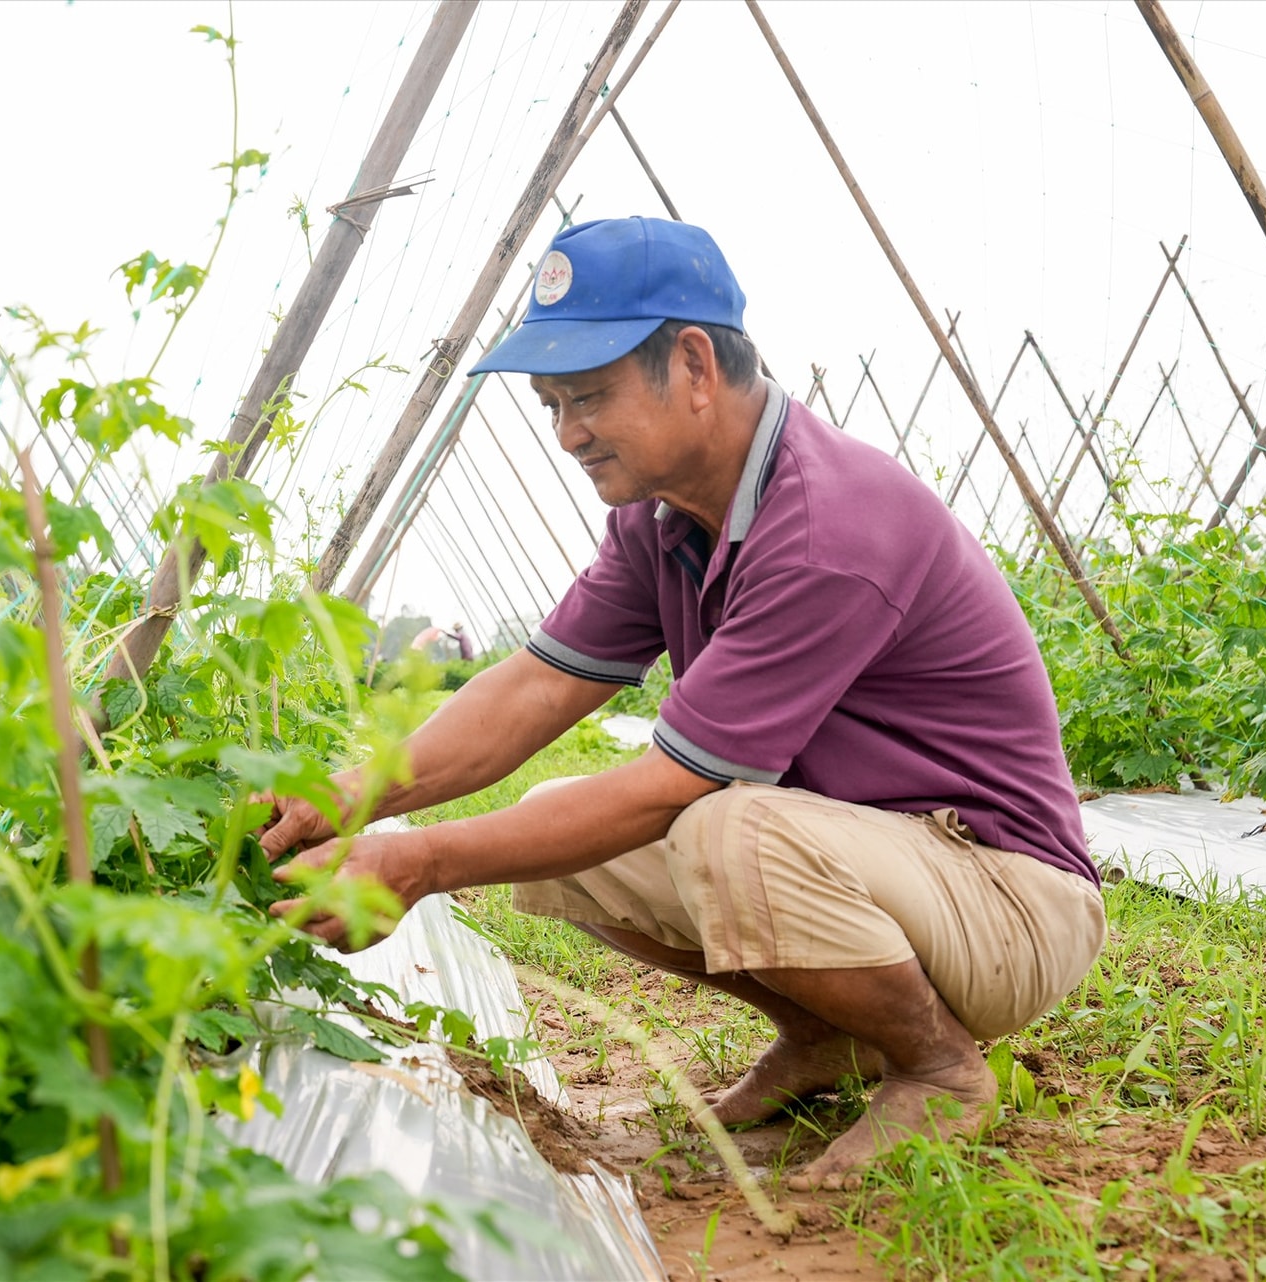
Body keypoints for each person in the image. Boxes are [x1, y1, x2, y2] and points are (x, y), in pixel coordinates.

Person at [261, 216, 1105, 1190]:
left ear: (695, 364)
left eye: (589, 396)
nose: (568, 433)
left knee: (723, 826)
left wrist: (419, 861)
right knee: (561, 827)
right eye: (550, 403)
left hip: (1008, 896)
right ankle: (826, 1038)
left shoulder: (829, 525)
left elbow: (671, 787)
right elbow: (536, 686)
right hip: (883, 864)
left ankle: (937, 1067)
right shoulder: (660, 522)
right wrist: (354, 793)